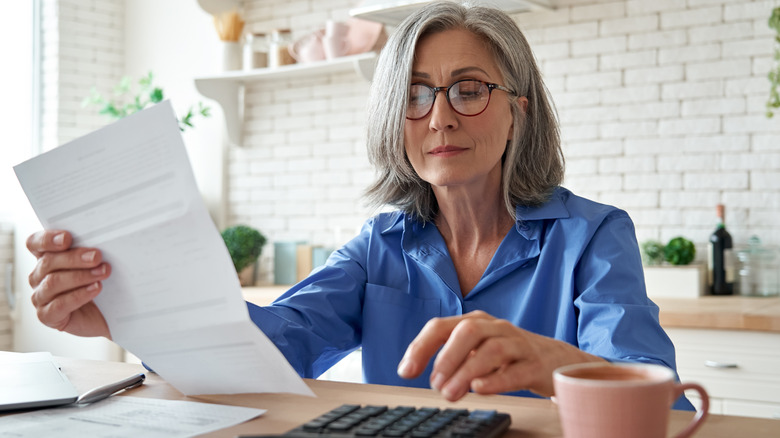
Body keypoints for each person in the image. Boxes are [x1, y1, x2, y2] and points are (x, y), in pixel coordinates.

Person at [25, 1, 693, 409]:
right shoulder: (380, 246)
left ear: (516, 112)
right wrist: (126, 312)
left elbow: (654, 391)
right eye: (415, 94)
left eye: (467, 90)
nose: (439, 118)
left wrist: (551, 363)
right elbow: (273, 347)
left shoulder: (593, 237)